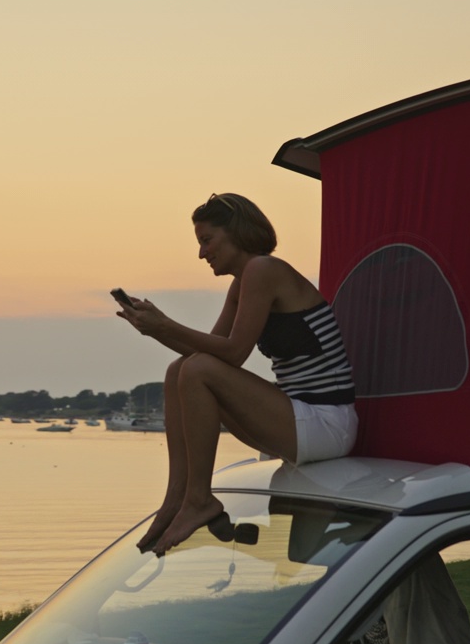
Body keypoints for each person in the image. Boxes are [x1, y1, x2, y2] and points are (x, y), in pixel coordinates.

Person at [116, 192, 357, 555]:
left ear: (237, 234)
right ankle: (178, 498)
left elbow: (233, 353)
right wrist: (157, 330)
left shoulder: (264, 270)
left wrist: (165, 324)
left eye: (207, 240)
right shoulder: (242, 282)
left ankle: (198, 499)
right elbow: (206, 356)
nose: (202, 253)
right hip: (298, 421)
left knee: (194, 369)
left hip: (328, 424)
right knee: (177, 371)